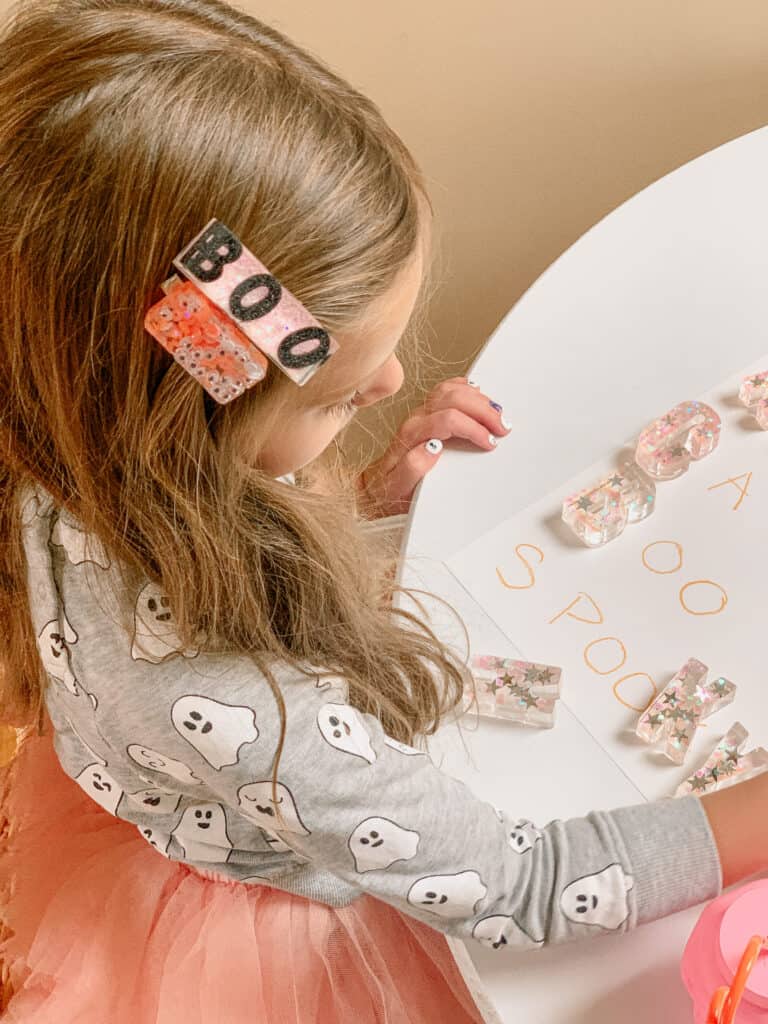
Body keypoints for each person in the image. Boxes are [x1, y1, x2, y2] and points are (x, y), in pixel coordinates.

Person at [0, 0, 765, 1021]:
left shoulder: (71, 433)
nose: (397, 380)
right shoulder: (250, 707)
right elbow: (521, 883)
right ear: (185, 408)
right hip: (285, 892)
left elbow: (251, 523)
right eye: (337, 396)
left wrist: (373, 506)